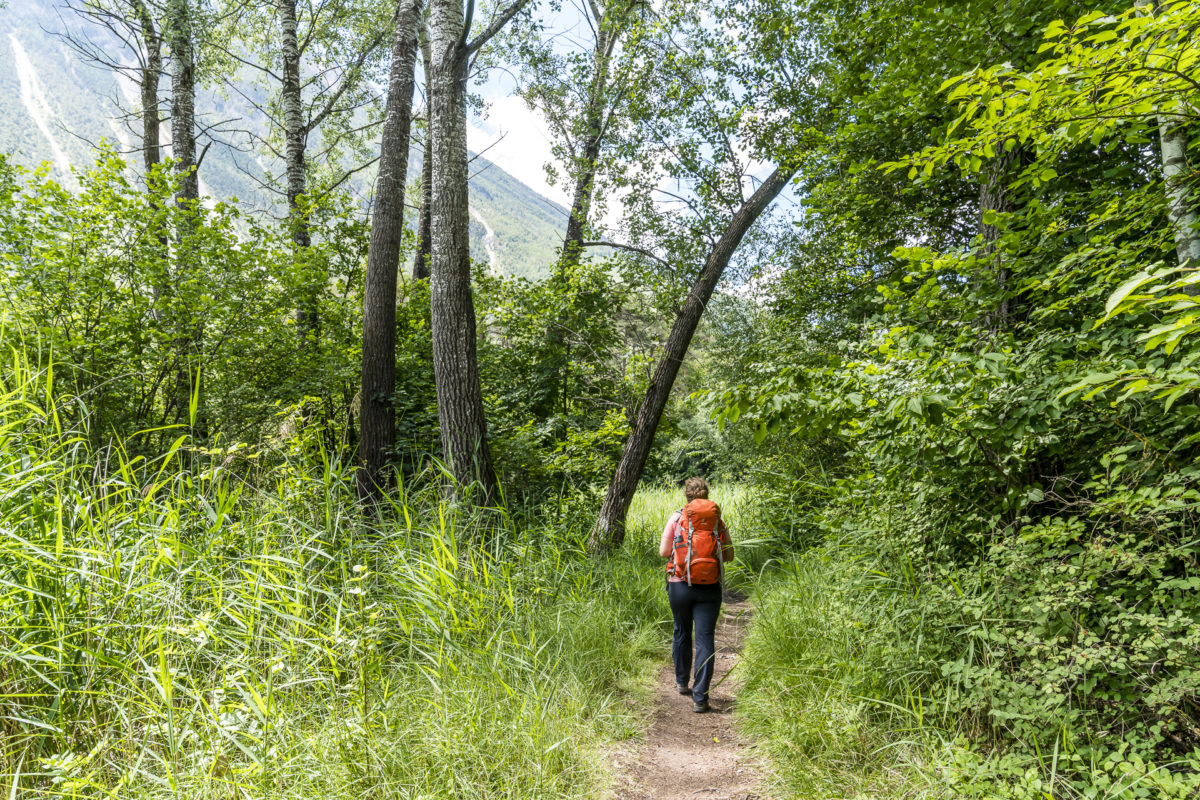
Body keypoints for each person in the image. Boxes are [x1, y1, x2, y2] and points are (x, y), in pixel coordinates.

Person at [659, 476, 734, 713]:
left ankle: (682, 682)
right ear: (706, 495)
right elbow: (729, 555)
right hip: (710, 588)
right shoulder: (717, 522)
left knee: (681, 631)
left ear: (687, 495)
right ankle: (700, 698)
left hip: (679, 585)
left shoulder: (676, 517)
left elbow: (663, 552)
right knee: (704, 640)